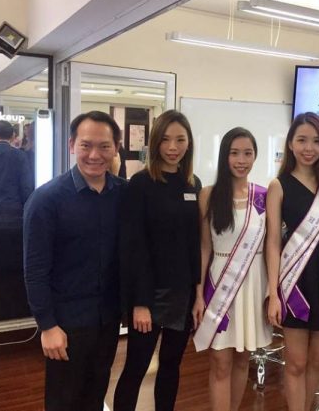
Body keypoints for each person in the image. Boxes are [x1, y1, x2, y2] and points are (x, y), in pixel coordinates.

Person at [23, 111, 126, 411]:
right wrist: (47, 325)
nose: (95, 155)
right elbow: (35, 270)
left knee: (95, 395)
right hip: (66, 324)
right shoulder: (46, 200)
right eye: (86, 145)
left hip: (108, 320)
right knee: (63, 401)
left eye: (104, 146)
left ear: (116, 148)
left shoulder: (124, 195)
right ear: (71, 145)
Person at [114, 110, 201, 411]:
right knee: (136, 368)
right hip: (149, 295)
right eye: (165, 139)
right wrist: (139, 303)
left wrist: (197, 294)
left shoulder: (193, 184)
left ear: (189, 143)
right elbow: (133, 247)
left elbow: (195, 244)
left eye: (180, 139)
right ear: (154, 142)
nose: (173, 147)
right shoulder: (140, 184)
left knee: (171, 366)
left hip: (182, 294)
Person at [266, 112, 319, 411]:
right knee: (296, 363)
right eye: (301, 140)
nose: (308, 148)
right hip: (295, 282)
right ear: (290, 144)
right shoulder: (279, 185)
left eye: (316, 141)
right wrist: (273, 293)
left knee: (316, 361)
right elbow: (272, 242)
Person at [192, 127, 273, 411]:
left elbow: (272, 245)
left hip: (253, 283)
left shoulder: (264, 196)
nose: (241, 160)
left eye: (247, 153)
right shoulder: (208, 194)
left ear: (255, 156)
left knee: (242, 360)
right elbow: (204, 247)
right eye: (234, 153)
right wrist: (198, 293)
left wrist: (272, 292)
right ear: (224, 156)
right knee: (220, 361)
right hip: (219, 283)